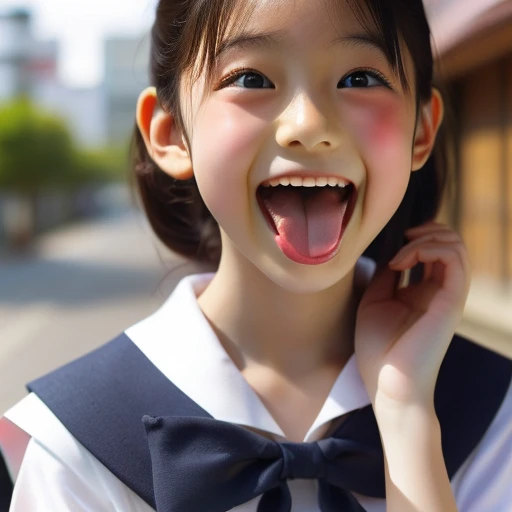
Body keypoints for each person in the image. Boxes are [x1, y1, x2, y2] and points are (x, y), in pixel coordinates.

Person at [0, 0, 511, 510]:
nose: (307, 124)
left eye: (359, 78)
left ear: (421, 130)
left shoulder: (494, 418)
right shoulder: (73, 448)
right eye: (250, 79)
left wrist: (407, 413)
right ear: (172, 132)